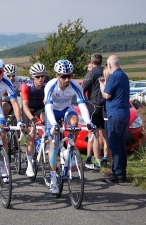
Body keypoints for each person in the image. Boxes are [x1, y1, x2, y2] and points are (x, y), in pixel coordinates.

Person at [44, 59, 95, 194]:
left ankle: (70, 147)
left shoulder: (75, 86)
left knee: (74, 121)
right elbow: (48, 107)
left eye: (70, 76)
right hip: (52, 112)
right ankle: (54, 179)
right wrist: (54, 124)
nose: (67, 79)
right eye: (63, 76)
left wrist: (89, 122)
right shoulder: (50, 86)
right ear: (57, 75)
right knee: (54, 144)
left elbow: (82, 105)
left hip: (66, 108)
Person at [99, 55, 129, 183]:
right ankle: (121, 170)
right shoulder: (124, 76)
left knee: (114, 144)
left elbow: (106, 94)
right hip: (124, 113)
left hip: (114, 114)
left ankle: (117, 173)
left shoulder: (114, 77)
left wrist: (102, 85)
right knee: (121, 144)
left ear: (110, 65)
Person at [20, 63, 47, 177]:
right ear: (32, 76)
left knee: (46, 119)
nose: (40, 79)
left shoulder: (47, 84)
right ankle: (30, 165)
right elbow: (25, 105)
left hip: (40, 107)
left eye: (42, 76)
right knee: (32, 133)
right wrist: (31, 118)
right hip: (28, 109)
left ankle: (45, 140)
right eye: (37, 77)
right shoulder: (26, 85)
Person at [82, 53, 104, 170]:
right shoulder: (107, 72)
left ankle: (97, 161)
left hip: (94, 105)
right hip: (105, 106)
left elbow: (82, 90)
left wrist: (85, 103)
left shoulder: (91, 73)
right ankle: (105, 157)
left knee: (94, 134)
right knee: (105, 135)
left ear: (92, 61)